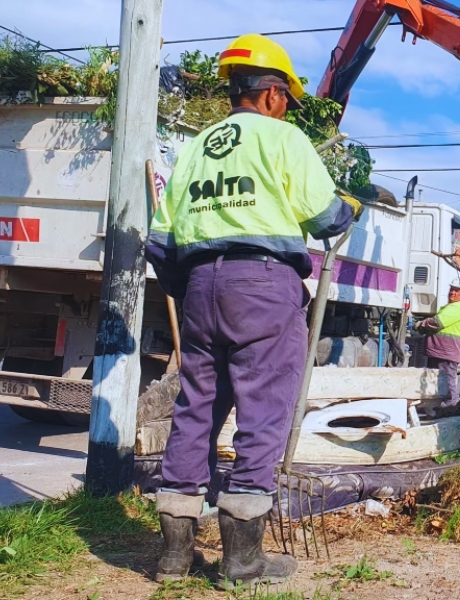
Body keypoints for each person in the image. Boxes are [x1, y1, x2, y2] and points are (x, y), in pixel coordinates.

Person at [144, 34, 363, 589]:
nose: (287, 106)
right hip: (263, 284)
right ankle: (241, 562)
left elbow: (161, 240)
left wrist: (192, 287)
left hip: (198, 286)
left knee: (197, 408)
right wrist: (347, 209)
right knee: (262, 411)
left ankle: (174, 556)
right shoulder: (283, 139)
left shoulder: (194, 147)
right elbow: (324, 216)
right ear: (269, 95)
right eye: (286, 96)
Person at [415, 278, 460, 408]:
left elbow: (437, 322)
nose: (453, 292)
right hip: (440, 352)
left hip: (446, 353)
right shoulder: (449, 307)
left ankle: (452, 405)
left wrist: (422, 324)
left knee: (447, 381)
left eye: (456, 291)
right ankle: (436, 407)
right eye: (452, 289)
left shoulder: (457, 308)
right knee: (435, 381)